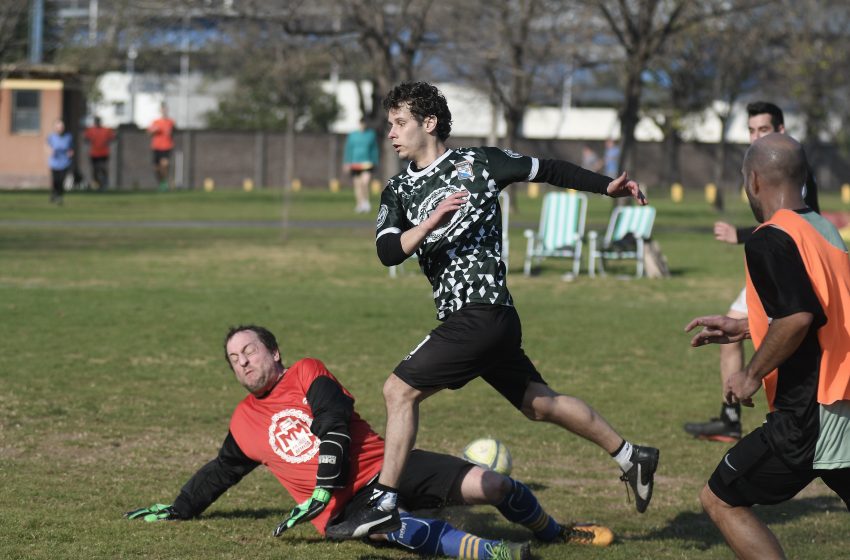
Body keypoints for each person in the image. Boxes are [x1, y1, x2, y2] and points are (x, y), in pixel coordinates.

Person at [329, 81, 659, 539]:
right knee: (540, 404)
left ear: (429, 123)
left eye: (400, 123)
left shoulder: (480, 162)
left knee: (397, 391)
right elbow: (388, 251)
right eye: (390, 125)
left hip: (483, 313)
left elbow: (549, 170)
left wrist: (607, 186)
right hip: (479, 323)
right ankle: (631, 456)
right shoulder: (398, 190)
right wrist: (431, 221)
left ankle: (383, 499)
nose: (392, 133)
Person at [125, 325, 615, 560]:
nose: (243, 362)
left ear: (274, 351)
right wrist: (179, 508)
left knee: (495, 486)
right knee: (395, 528)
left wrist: (322, 482)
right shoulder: (243, 422)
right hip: (342, 512)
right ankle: (497, 553)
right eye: (234, 359)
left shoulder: (305, 372)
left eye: (249, 350)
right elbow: (220, 472)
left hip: (389, 469)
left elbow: (334, 422)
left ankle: (554, 532)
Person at [684, 133, 850, 560]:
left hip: (811, 413)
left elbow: (797, 317)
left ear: (754, 180)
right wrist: (743, 327)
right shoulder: (822, 227)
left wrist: (750, 374)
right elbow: (821, 308)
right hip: (842, 399)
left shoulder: (769, 237)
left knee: (720, 499)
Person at [684, 101, 821, 442]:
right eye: (751, 130)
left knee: (793, 327)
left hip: (792, 267)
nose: (755, 136)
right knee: (734, 330)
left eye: (763, 130)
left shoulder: (790, 168)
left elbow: (796, 221)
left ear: (780, 132)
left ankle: (792, 415)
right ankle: (731, 415)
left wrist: (741, 235)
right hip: (776, 263)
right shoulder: (763, 166)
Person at [343, 117, 380, 213]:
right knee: (357, 185)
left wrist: (375, 161)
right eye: (361, 123)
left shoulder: (371, 134)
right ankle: (359, 204)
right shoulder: (352, 135)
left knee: (365, 182)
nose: (363, 125)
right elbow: (349, 149)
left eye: (364, 124)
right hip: (355, 163)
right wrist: (347, 162)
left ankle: (366, 202)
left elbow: (374, 149)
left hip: (367, 163)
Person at [148, 103, 175, 192]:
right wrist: (154, 131)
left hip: (167, 147)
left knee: (165, 164)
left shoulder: (171, 122)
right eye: (162, 109)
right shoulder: (155, 122)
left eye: (165, 109)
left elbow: (173, 131)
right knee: (156, 168)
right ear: (160, 111)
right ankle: (161, 183)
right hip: (156, 147)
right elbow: (149, 132)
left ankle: (165, 182)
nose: (164, 111)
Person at [83, 116, 115, 190]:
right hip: (94, 154)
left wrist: (106, 142)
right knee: (95, 169)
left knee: (103, 168)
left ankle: (104, 184)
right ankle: (97, 184)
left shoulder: (106, 130)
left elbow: (113, 138)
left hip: (104, 153)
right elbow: (86, 139)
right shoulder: (91, 130)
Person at [46, 119, 73, 205]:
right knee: (55, 180)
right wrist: (50, 151)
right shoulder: (51, 137)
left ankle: (59, 195)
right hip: (54, 162)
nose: (60, 128)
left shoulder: (68, 137)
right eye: (58, 127)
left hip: (64, 162)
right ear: (55, 128)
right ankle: (54, 194)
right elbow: (47, 146)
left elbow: (71, 147)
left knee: (61, 180)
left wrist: (71, 152)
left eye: (61, 127)